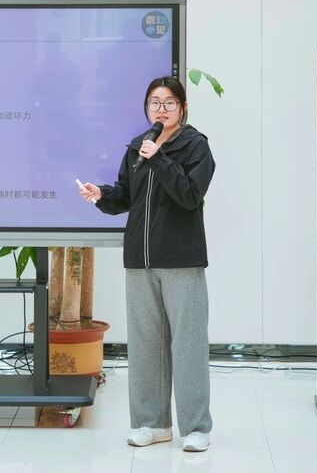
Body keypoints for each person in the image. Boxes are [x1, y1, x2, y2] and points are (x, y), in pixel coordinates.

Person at [79, 76, 215, 452]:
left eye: (169, 102)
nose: (161, 109)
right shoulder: (137, 146)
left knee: (187, 343)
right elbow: (126, 196)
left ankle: (196, 427)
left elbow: (190, 195)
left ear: (182, 108)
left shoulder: (196, 146)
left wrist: (160, 158)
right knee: (144, 344)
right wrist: (101, 195)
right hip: (139, 259)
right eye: (155, 102)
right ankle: (151, 424)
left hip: (181, 259)